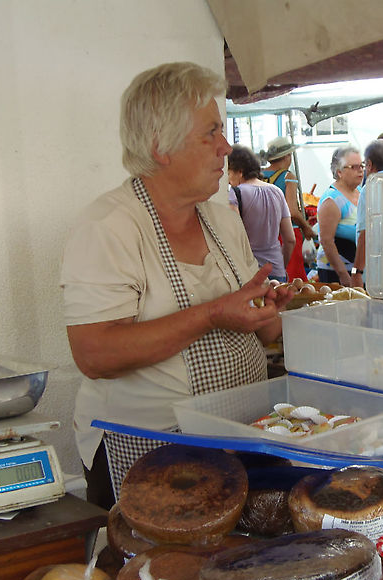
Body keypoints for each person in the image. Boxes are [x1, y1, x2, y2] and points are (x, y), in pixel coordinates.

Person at [60, 62, 294, 504]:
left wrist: (270, 313)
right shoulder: (109, 227)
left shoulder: (222, 220)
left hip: (242, 435)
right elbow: (95, 354)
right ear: (159, 146)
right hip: (154, 451)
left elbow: (264, 331)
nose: (226, 147)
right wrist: (211, 314)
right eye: (211, 133)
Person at [227, 144, 295, 282]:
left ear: (239, 172)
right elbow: (290, 240)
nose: (228, 179)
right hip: (276, 270)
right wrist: (282, 266)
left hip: (249, 273)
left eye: (229, 173)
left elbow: (234, 238)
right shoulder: (277, 192)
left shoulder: (235, 194)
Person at [261, 137, 315, 282]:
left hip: (263, 234)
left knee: (270, 279)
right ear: (287, 156)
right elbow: (291, 210)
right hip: (287, 233)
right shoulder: (288, 176)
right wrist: (306, 227)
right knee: (293, 279)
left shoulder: (258, 176)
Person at [352, 139, 383, 288]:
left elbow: (365, 234)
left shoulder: (370, 188)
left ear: (370, 164)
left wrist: (356, 272)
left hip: (376, 274)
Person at [315, 146, 363, 285]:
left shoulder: (359, 191)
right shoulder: (332, 200)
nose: (360, 170)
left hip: (356, 269)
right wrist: (343, 275)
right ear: (339, 172)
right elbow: (326, 241)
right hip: (335, 272)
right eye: (354, 167)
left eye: (361, 165)